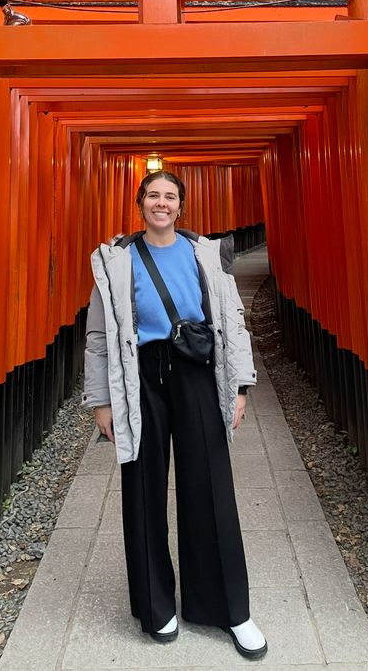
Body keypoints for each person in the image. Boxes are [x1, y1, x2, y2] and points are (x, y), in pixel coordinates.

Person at [83, 170, 268, 660]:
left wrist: (241, 385)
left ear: (181, 207)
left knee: (210, 485)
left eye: (169, 197)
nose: (161, 203)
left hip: (196, 373)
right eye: (152, 196)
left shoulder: (205, 253)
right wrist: (101, 400)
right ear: (140, 204)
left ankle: (228, 608)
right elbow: (99, 336)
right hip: (139, 376)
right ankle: (155, 605)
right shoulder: (114, 261)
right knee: (142, 487)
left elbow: (232, 320)